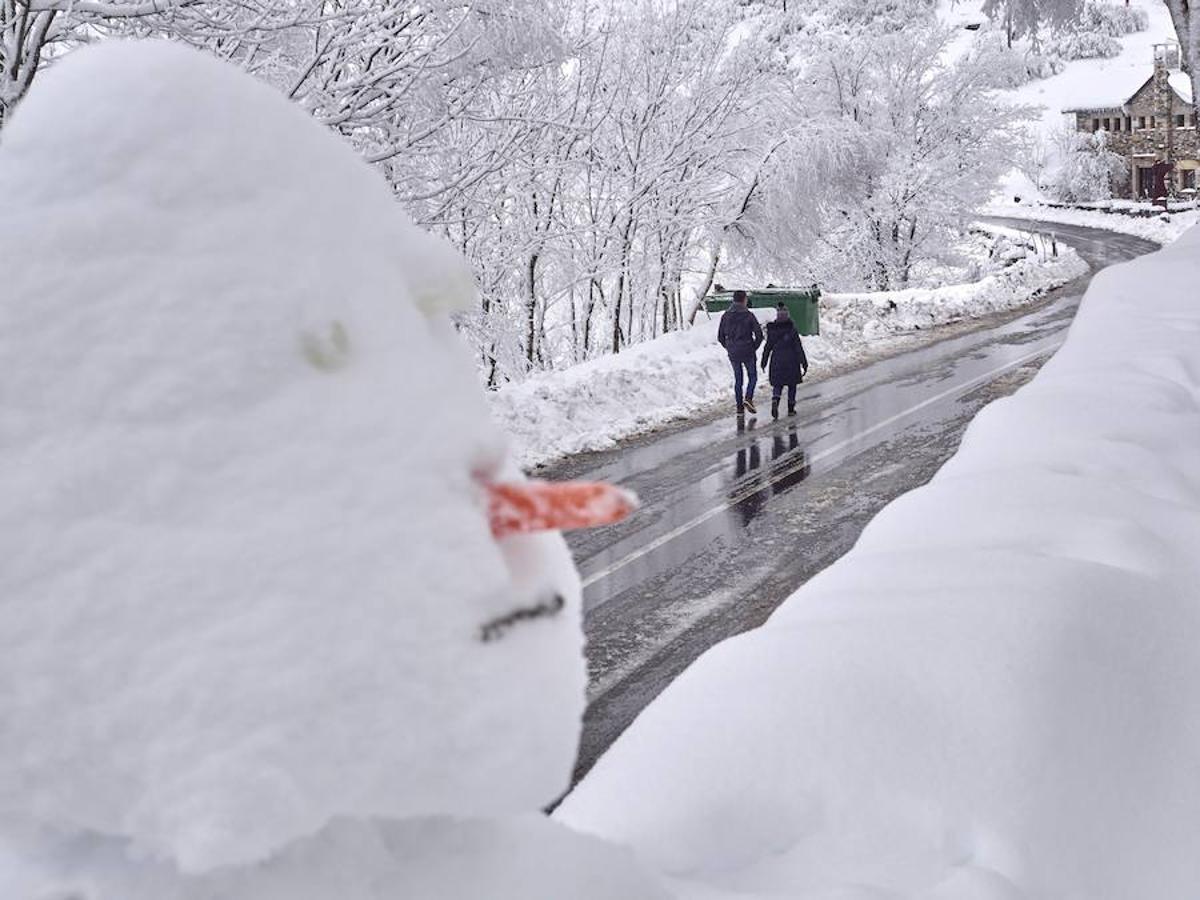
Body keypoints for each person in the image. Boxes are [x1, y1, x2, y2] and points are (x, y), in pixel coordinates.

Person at [717, 289, 764, 415]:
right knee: (752, 376)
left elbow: (720, 336)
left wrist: (729, 347)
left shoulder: (726, 316)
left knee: (738, 379)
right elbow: (759, 335)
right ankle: (748, 398)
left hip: (733, 351)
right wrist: (753, 347)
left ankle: (739, 407)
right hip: (748, 349)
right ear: (744, 300)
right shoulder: (749, 315)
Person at [760, 302, 808, 419]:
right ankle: (791, 409)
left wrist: (764, 361)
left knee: (778, 384)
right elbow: (798, 347)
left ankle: (775, 399)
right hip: (791, 360)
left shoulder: (772, 330)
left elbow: (767, 347)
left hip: (777, 360)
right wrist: (804, 363)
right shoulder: (792, 329)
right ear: (787, 315)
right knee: (792, 385)